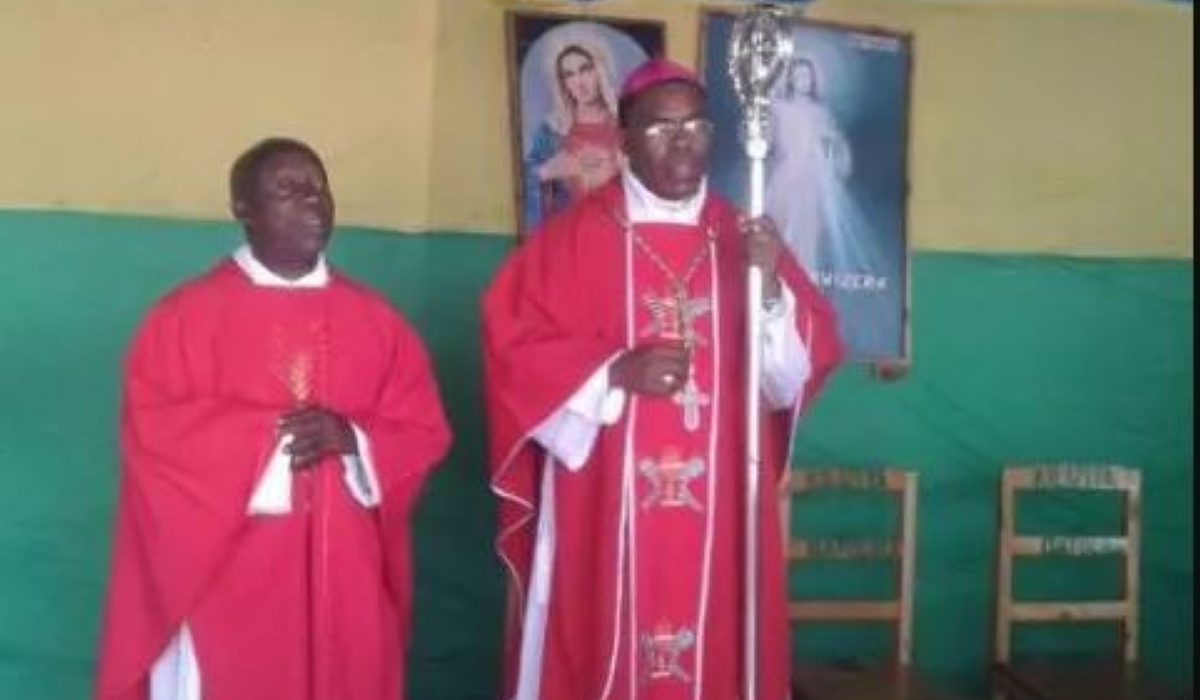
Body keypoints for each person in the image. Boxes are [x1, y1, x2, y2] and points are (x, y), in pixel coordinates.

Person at [483, 58, 844, 700]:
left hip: (725, 500)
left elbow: (788, 380)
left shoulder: (748, 236)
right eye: (659, 129)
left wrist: (768, 293)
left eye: (696, 126)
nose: (681, 142)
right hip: (602, 498)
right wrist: (612, 371)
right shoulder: (570, 241)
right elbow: (514, 351)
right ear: (623, 140)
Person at [93, 137, 452, 700]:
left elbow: (423, 432)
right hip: (227, 579)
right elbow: (155, 436)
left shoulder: (377, 321)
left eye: (319, 187)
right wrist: (267, 440)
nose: (313, 202)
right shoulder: (183, 319)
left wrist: (354, 439)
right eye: (288, 189)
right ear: (243, 210)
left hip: (347, 577)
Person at [522, 37, 625, 233]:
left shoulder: (627, 123)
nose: (579, 82)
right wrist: (547, 171)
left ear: (600, 70)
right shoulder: (553, 129)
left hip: (619, 232)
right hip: (568, 232)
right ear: (563, 83)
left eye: (585, 69)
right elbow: (527, 179)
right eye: (569, 75)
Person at [766, 56, 855, 275]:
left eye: (806, 75)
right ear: (790, 80)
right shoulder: (778, 108)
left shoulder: (820, 112)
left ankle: (805, 291)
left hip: (812, 182)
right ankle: (774, 287)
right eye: (797, 76)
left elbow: (836, 148)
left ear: (813, 80)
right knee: (776, 233)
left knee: (808, 240)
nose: (802, 80)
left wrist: (831, 141)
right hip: (785, 178)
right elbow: (767, 141)